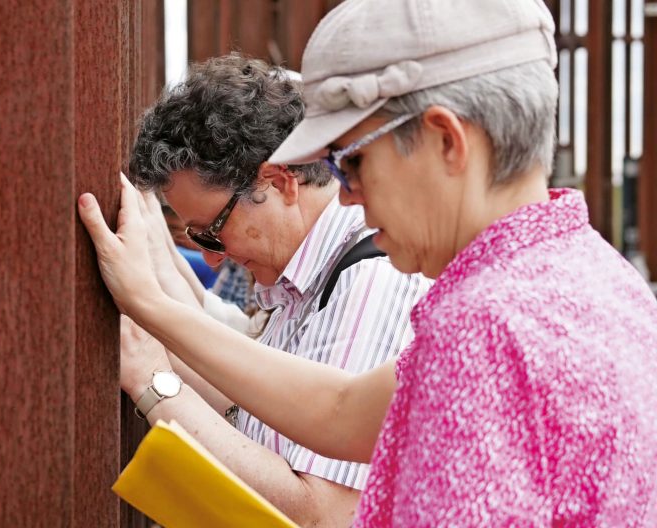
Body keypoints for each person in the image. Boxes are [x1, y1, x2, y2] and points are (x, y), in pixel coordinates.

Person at [78, 0, 657, 525]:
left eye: (351, 163)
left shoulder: (480, 327)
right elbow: (340, 410)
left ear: (445, 140)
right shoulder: (597, 279)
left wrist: (151, 342)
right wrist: (151, 306)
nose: (347, 196)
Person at [117, 53, 430, 526]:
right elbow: (247, 413)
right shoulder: (306, 275)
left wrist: (151, 379)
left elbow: (323, 514)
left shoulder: (372, 279)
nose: (212, 258)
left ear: (280, 182)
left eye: (212, 231)